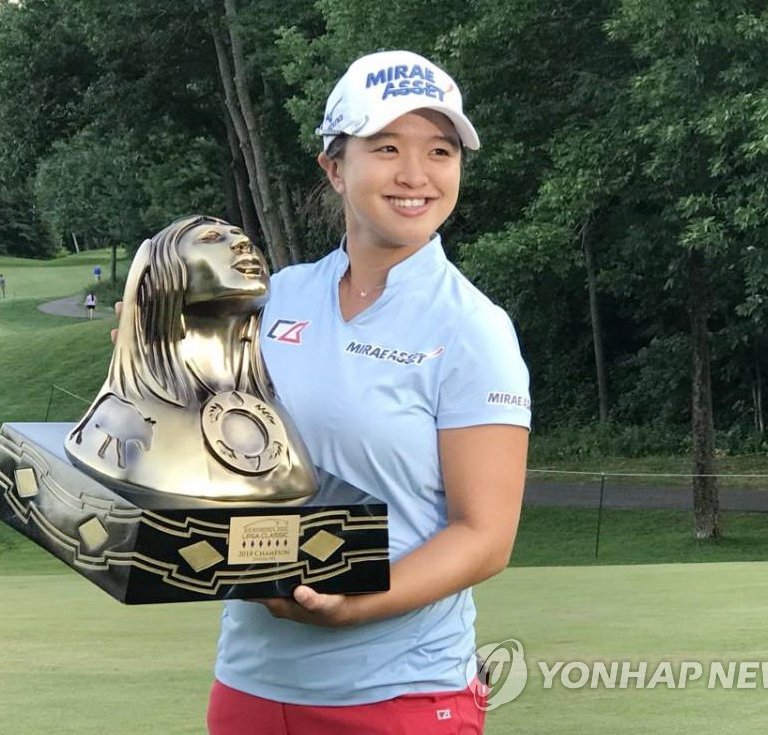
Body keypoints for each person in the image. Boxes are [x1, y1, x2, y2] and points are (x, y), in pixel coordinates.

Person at [114, 50, 530, 735]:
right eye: (387, 147)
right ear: (334, 168)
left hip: (399, 695)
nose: (416, 174)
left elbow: (484, 537)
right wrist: (154, 357)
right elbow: (213, 447)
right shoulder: (274, 298)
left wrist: (353, 605)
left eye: (441, 150)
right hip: (250, 684)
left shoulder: (473, 328)